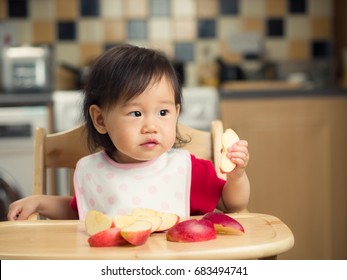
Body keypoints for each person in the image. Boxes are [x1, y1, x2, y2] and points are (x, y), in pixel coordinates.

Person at [7, 44, 250, 221]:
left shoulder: (187, 170)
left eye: (163, 113)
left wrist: (236, 177)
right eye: (136, 114)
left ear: (176, 113)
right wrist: (39, 201)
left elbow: (232, 203)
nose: (151, 126)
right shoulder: (92, 171)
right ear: (100, 120)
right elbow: (80, 211)